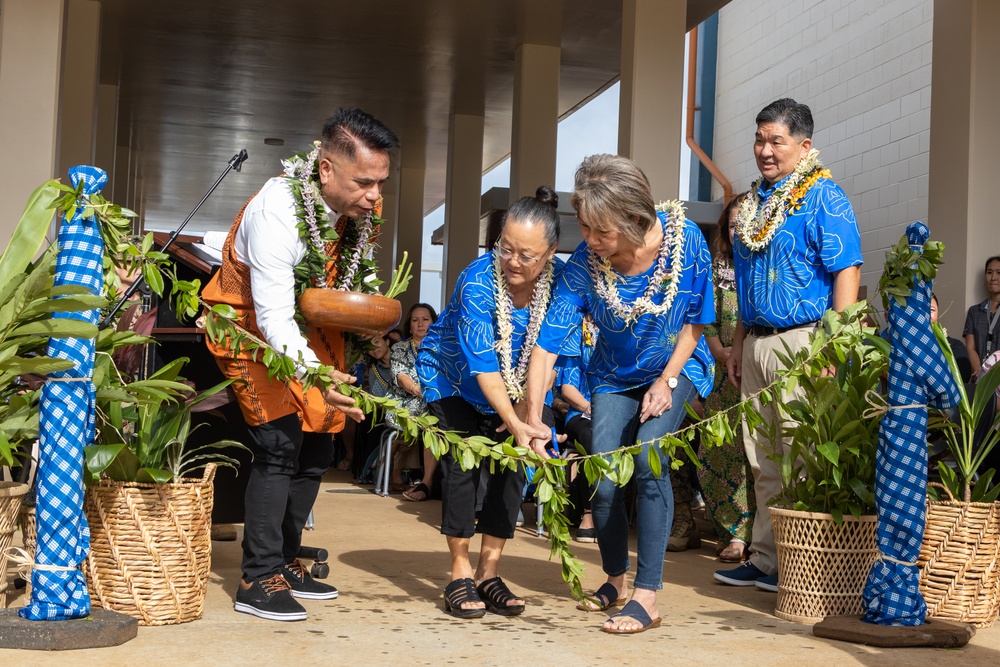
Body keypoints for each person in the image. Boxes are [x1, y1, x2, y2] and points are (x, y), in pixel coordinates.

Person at [202, 108, 399, 621]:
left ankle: (287, 558)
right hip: (249, 329)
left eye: (381, 182)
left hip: (308, 328)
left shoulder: (358, 209)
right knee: (279, 442)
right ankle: (256, 576)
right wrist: (313, 374)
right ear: (326, 169)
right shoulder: (277, 212)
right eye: (364, 183)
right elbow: (271, 316)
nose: (376, 196)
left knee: (319, 439)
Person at [523, 154, 716, 634]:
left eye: (601, 231)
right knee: (605, 478)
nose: (589, 241)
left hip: (678, 363)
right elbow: (546, 348)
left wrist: (667, 380)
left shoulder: (684, 241)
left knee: (649, 462)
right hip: (612, 376)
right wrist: (531, 419)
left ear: (636, 218)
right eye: (584, 228)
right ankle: (616, 579)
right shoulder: (583, 268)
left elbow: (695, 319)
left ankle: (647, 597)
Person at [714, 99, 862, 593]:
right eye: (760, 139)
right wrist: (736, 346)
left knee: (799, 453)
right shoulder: (753, 203)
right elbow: (743, 282)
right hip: (755, 342)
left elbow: (847, 270)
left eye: (776, 140)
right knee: (761, 457)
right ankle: (763, 558)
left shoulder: (824, 196)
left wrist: (832, 347)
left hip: (804, 342)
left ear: (804, 144)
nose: (765, 150)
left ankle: (800, 565)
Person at [416, 186, 566, 619]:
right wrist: (513, 420)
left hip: (519, 384)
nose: (513, 262)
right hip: (454, 379)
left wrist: (528, 417)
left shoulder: (562, 286)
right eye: (506, 249)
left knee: (512, 467)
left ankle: (488, 571)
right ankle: (459, 571)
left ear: (550, 252)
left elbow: (550, 353)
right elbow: (482, 366)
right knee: (463, 465)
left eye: (526, 254)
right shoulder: (478, 280)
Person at [699, 194, 755, 563]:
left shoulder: (767, 265)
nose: (738, 232)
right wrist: (721, 352)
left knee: (759, 455)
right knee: (720, 453)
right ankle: (734, 534)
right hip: (724, 375)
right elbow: (706, 318)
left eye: (745, 225)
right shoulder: (716, 269)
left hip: (764, 368)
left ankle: (762, 536)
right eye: (733, 225)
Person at [386, 302, 440, 498]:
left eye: (425, 319)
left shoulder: (442, 346)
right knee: (431, 420)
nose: (420, 324)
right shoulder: (400, 348)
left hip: (434, 403)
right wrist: (419, 390)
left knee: (435, 424)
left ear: (434, 322)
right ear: (409, 326)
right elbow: (401, 376)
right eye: (415, 320)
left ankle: (427, 482)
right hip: (403, 402)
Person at [553, 316, 597, 542]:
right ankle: (589, 513)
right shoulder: (576, 336)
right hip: (582, 412)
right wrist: (592, 408)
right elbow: (568, 390)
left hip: (619, 411)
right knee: (592, 437)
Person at [963, 256, 1000, 378]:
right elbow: (970, 347)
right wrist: (981, 373)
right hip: (980, 378)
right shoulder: (974, 311)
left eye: (999, 273)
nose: (993, 278)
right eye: (989, 272)